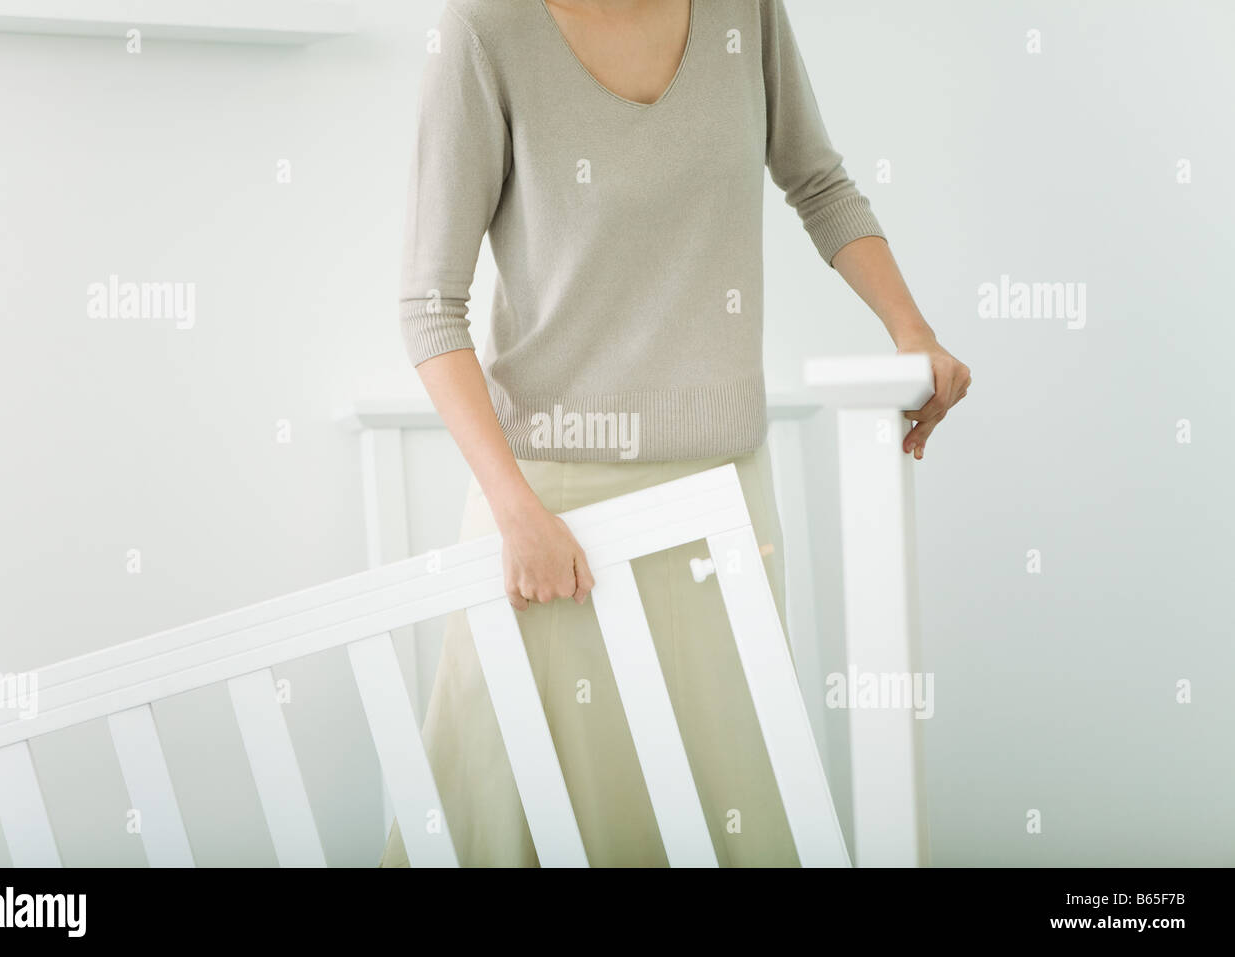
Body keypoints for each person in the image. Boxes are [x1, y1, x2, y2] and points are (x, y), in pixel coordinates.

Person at [380, 0, 970, 867]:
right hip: (546, 520)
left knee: (724, 809)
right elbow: (429, 307)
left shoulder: (747, 12)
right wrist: (516, 512)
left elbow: (817, 181)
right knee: (514, 821)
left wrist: (911, 331)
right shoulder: (485, 29)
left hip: (723, 501)